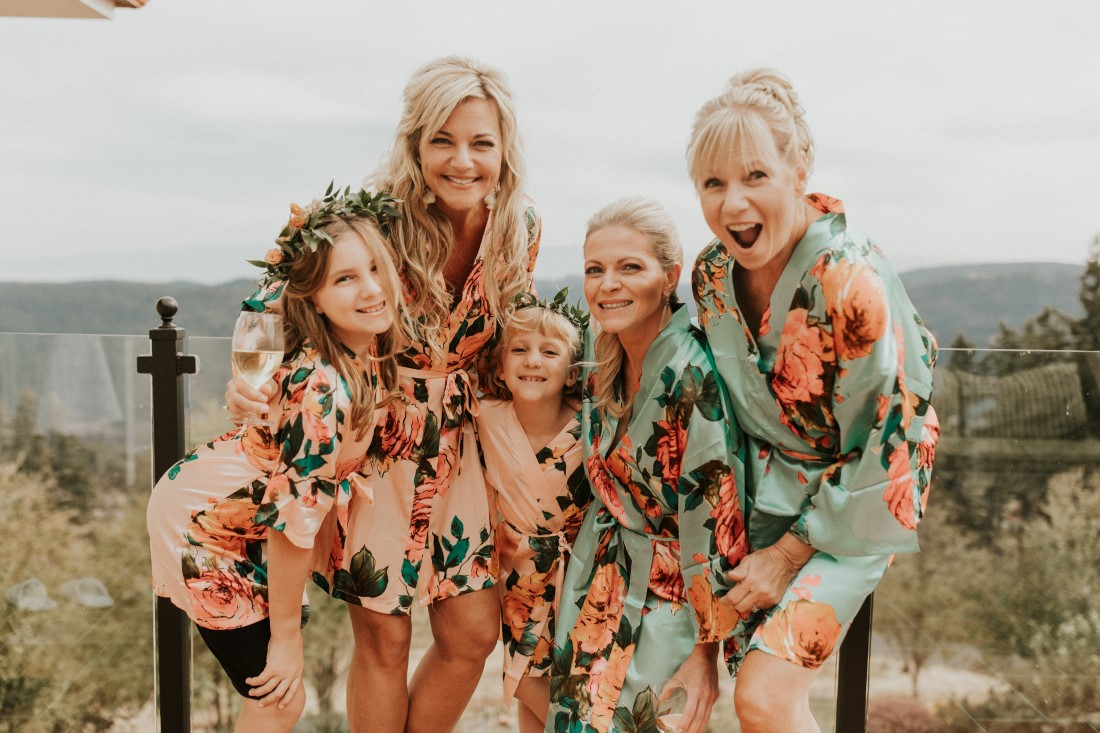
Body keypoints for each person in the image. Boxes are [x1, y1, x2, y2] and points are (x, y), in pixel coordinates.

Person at [227, 56, 540, 732]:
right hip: (372, 438)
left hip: (463, 449)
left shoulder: (519, 229)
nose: (463, 160)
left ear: (503, 149)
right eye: (443, 140)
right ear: (415, 144)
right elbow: (269, 295)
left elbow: (512, 335)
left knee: (471, 635)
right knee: (386, 641)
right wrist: (249, 383)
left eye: (481, 142)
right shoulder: (372, 219)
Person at [688, 69, 940, 733]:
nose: (733, 205)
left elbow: (890, 433)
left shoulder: (849, 281)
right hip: (759, 490)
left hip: (861, 496)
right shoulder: (712, 275)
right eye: (713, 183)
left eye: (754, 176)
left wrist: (788, 552)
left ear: (799, 167)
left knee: (764, 696)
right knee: (760, 699)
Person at [147, 190, 404, 733]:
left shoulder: (365, 350)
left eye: (378, 268)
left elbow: (272, 290)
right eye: (345, 279)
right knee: (279, 695)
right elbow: (291, 523)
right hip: (206, 530)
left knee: (277, 694)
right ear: (312, 299)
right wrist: (286, 639)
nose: (373, 288)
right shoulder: (326, 391)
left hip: (246, 524)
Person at [546, 197, 750, 733]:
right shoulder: (598, 349)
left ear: (669, 276)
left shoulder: (691, 375)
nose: (607, 284)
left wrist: (704, 653)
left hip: (672, 601)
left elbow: (715, 517)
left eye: (629, 267)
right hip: (597, 579)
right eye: (595, 270)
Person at [475, 292, 591, 733]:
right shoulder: (485, 417)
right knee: (525, 678)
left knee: (568, 680)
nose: (532, 361)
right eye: (519, 350)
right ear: (501, 368)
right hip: (516, 576)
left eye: (549, 351)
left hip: (581, 572)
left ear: (570, 370)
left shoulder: (590, 425)